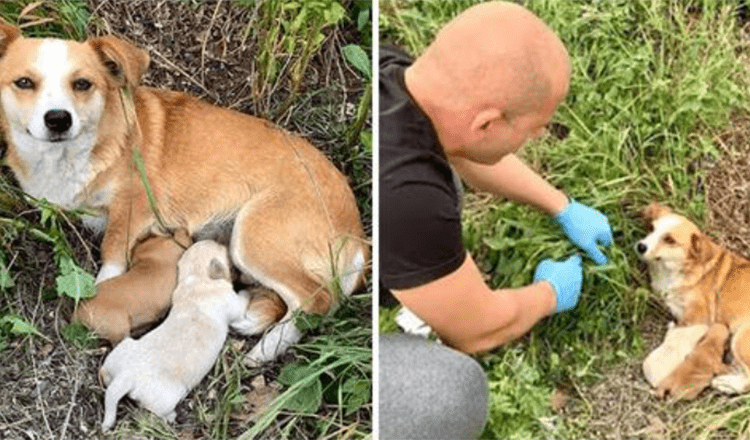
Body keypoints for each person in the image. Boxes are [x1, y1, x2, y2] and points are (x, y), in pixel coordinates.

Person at [378, 2, 614, 439]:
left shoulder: (394, 72)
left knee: (444, 176)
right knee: (450, 393)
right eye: (535, 128)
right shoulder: (409, 199)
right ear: (487, 122)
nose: (539, 136)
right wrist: (549, 294)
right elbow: (479, 330)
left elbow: (464, 149)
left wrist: (560, 205)